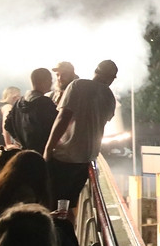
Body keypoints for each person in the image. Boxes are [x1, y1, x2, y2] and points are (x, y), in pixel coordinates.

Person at [43, 59, 117, 208]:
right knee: (69, 204)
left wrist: (48, 149)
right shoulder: (109, 96)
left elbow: (63, 118)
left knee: (52, 203)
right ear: (111, 78)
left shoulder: (78, 85)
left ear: (95, 72)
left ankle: (53, 229)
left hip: (64, 156)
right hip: (86, 158)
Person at [3, 68, 58, 155]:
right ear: (44, 81)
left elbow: (7, 125)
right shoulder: (44, 102)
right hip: (43, 153)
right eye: (50, 80)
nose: (51, 83)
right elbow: (57, 125)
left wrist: (21, 141)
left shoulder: (18, 102)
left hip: (25, 152)